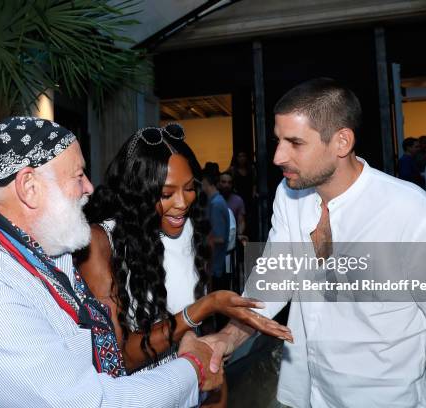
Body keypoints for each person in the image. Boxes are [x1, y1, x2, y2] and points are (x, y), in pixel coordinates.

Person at [0, 117, 227, 407]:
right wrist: (192, 369)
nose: (89, 188)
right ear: (29, 187)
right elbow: (92, 403)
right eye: (78, 175)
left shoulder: (39, 247)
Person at [203, 78, 426, 408]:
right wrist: (227, 337)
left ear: (341, 142)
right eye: (278, 140)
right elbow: (274, 279)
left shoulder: (412, 215)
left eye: (295, 143)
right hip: (306, 392)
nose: (278, 156)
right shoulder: (289, 196)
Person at [75, 125, 291, 403]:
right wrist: (202, 308)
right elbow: (118, 360)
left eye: (189, 188)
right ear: (139, 191)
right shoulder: (101, 243)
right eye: (166, 194)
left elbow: (200, 334)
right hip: (142, 397)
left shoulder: (190, 229)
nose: (182, 203)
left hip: (194, 387)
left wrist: (215, 391)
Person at [201, 165, 230, 293]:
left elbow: (219, 238)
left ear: (205, 182)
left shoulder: (216, 204)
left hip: (216, 265)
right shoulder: (215, 202)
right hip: (215, 265)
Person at [218, 171, 247, 242]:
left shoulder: (238, 200)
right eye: (223, 182)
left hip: (231, 237)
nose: (226, 185)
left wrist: (239, 234)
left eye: (229, 182)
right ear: (218, 183)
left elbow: (241, 221)